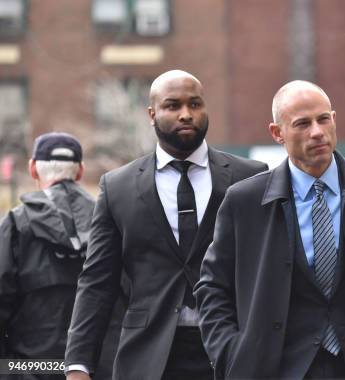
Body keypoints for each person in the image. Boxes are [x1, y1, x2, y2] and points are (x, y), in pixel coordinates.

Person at [195, 80, 345, 379]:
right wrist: (232, 352)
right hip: (280, 368)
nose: (317, 132)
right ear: (277, 133)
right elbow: (212, 287)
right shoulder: (244, 201)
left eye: (323, 119)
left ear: (334, 120)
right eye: (302, 124)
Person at [64, 70, 268, 380]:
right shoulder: (118, 187)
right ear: (152, 114)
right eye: (173, 106)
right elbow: (97, 282)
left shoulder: (251, 176)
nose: (186, 114)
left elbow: (271, 267)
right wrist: (78, 364)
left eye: (195, 104)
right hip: (148, 356)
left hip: (232, 350)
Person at [0, 132, 119, 380]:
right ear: (80, 171)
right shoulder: (113, 223)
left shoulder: (14, 227)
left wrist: (12, 372)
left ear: (33, 169)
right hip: (100, 370)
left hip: (30, 371)